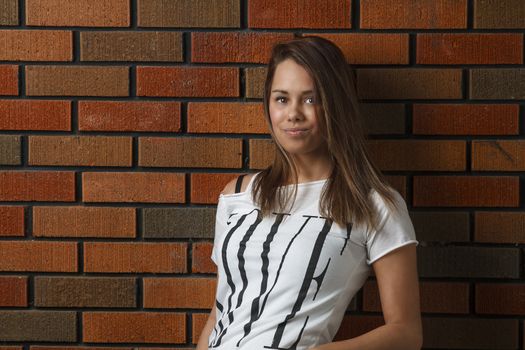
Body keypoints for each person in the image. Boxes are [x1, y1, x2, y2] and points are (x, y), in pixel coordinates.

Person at [196, 35, 422, 350]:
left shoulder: (373, 204)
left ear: (335, 104)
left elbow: (406, 333)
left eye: (310, 99)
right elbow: (219, 313)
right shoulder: (238, 195)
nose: (293, 114)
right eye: (281, 98)